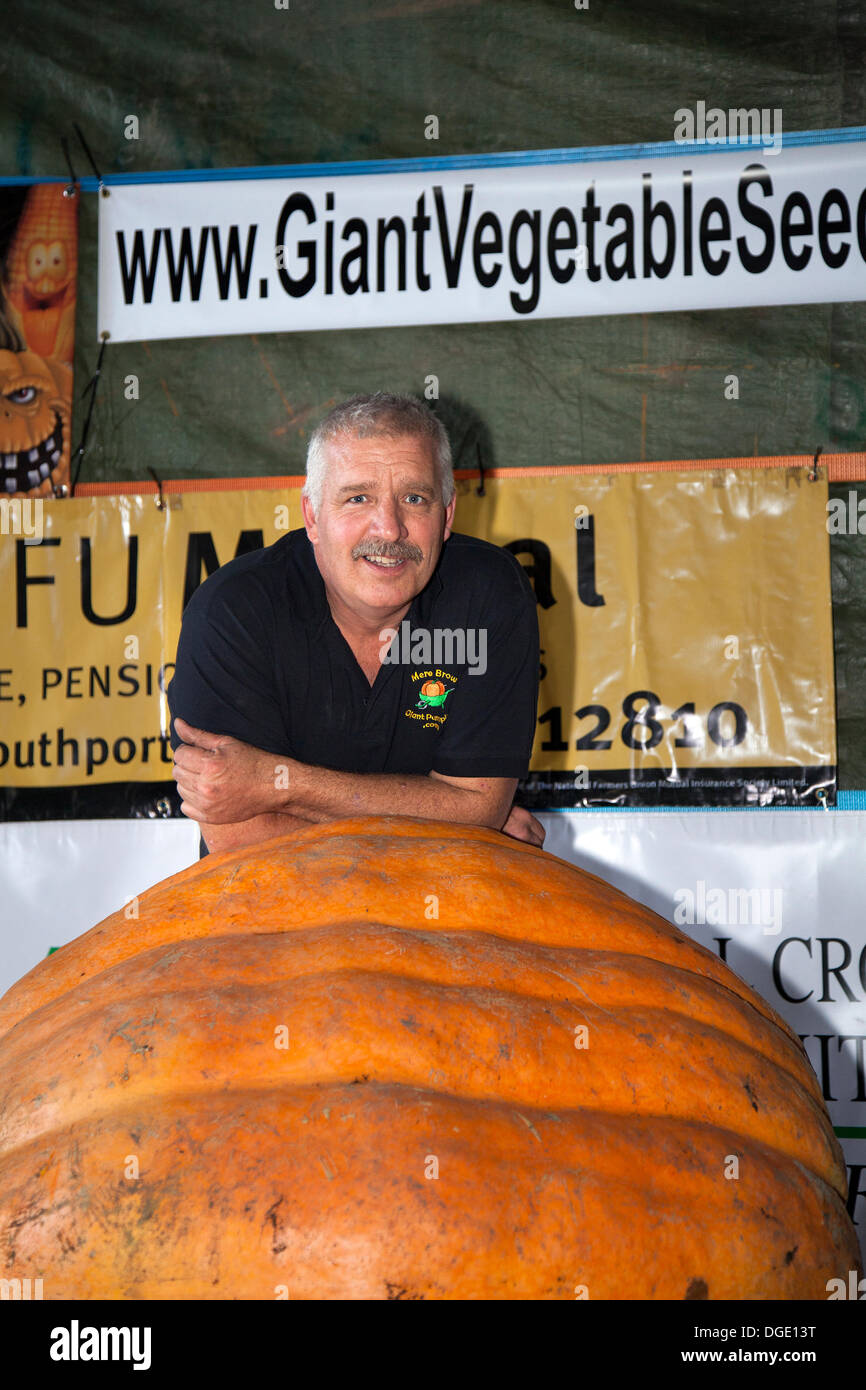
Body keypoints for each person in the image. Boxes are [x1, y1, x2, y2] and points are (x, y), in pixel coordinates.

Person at [168, 392, 544, 855]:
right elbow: (243, 843)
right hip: (272, 914)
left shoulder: (489, 594)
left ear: (446, 516)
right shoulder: (233, 612)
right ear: (312, 515)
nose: (388, 528)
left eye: (414, 498)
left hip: (442, 917)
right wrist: (447, 829)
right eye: (358, 498)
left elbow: (478, 810)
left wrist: (281, 785)